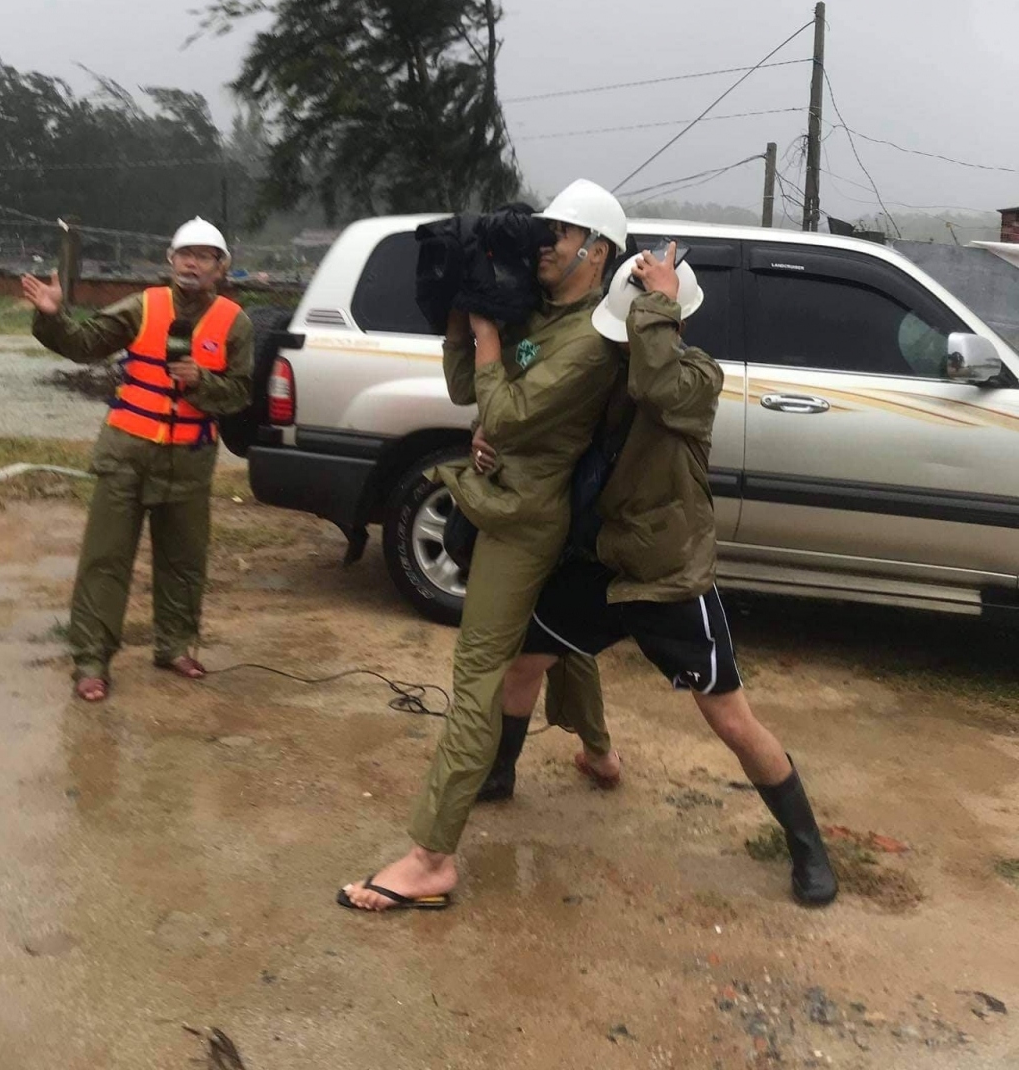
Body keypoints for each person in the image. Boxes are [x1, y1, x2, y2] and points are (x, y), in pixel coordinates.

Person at [483, 243, 839, 907]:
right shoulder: (609, 372)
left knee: (732, 721)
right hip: (602, 564)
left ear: (671, 319)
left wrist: (658, 306)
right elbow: (552, 428)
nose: (625, 345)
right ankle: (499, 772)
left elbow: (658, 382)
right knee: (523, 661)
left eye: (642, 327)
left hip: (667, 575)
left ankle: (808, 847)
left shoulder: (696, 379)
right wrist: (492, 442)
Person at [339, 179, 629, 912]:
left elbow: (505, 411)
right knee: (557, 633)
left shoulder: (593, 340)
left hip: (527, 518)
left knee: (478, 673)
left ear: (594, 253)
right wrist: (464, 313)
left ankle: (430, 857)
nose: (542, 247)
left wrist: (495, 344)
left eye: (557, 237)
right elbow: (470, 389)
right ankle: (597, 751)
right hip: (512, 497)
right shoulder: (540, 311)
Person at [21, 218, 254, 703]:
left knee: (184, 561)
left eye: (204, 256)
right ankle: (91, 661)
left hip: (189, 462)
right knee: (105, 560)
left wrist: (201, 383)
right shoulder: (142, 307)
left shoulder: (235, 323)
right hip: (127, 454)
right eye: (184, 254)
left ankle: (174, 646)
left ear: (221, 267)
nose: (193, 263)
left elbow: (240, 396)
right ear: (170, 260)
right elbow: (85, 345)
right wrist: (51, 316)